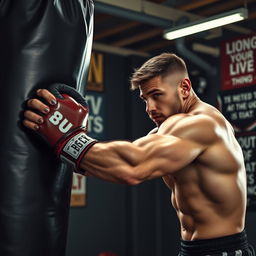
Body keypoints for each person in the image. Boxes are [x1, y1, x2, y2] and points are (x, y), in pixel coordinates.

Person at [23, 53, 255, 256]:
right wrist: (65, 141)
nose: (150, 108)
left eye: (157, 95)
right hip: (192, 249)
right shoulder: (171, 128)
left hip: (223, 251)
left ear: (184, 88)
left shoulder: (200, 124)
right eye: (145, 99)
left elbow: (132, 167)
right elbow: (117, 160)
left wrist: (67, 137)